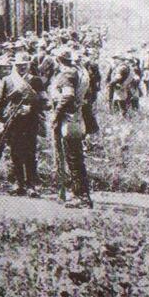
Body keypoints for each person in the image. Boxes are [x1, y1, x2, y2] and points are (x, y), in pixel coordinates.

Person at [50, 48, 93, 209]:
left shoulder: (66, 74)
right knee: (76, 158)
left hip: (69, 120)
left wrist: (56, 113)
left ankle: (81, 196)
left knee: (73, 159)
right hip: (76, 117)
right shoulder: (78, 72)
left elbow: (68, 95)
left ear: (58, 60)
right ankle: (81, 194)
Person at [0, 53, 42, 196]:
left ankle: (31, 185)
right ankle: (18, 183)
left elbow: (44, 102)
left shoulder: (36, 81)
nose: (21, 67)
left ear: (29, 65)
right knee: (15, 153)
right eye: (19, 65)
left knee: (30, 154)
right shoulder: (7, 80)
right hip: (13, 122)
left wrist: (32, 108)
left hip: (30, 123)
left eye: (24, 65)